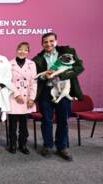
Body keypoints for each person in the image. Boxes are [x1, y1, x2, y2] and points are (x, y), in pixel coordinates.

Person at [33, 32, 84, 161]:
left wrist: (61, 75)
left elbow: (79, 67)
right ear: (42, 44)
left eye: (51, 41)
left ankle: (62, 147)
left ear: (56, 41)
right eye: (45, 42)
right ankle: (48, 145)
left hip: (64, 90)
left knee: (63, 120)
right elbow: (37, 76)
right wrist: (44, 76)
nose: (48, 44)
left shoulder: (67, 52)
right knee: (47, 120)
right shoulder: (37, 58)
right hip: (46, 91)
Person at [8, 42, 37, 155]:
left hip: (27, 99)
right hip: (14, 97)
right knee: (13, 124)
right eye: (20, 49)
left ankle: (23, 144)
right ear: (17, 49)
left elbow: (34, 82)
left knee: (24, 125)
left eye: (25, 50)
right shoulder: (10, 64)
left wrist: (32, 98)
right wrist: (16, 94)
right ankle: (13, 144)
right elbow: (8, 81)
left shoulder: (32, 64)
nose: (22, 51)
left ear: (28, 52)